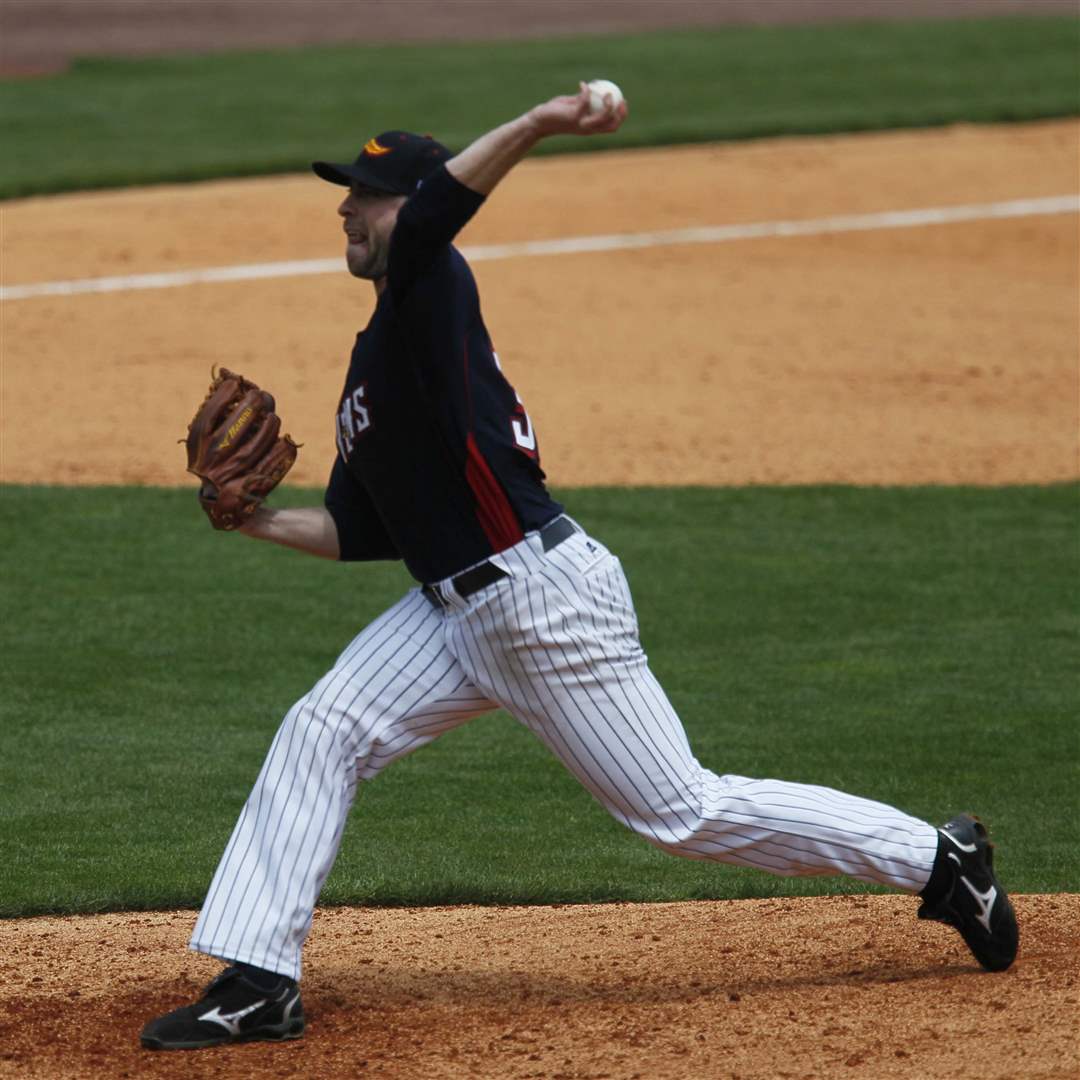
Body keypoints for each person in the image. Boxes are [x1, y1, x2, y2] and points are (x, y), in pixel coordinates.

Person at [140, 85, 1018, 1051]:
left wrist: (539, 123)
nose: (346, 208)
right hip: (452, 613)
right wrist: (255, 520)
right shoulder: (376, 361)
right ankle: (260, 981)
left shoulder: (433, 287)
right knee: (324, 729)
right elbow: (359, 527)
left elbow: (434, 220)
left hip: (540, 603)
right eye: (347, 192)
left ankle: (941, 862)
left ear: (414, 204)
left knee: (682, 812)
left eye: (367, 195)